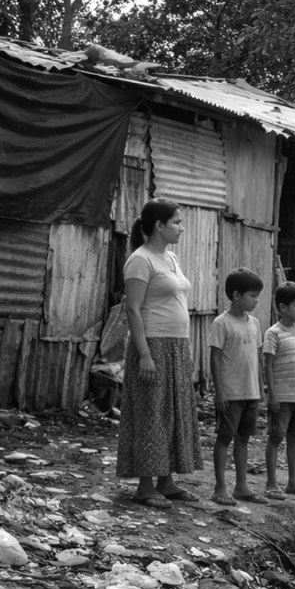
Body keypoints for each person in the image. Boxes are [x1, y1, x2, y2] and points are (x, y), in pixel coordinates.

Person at [117, 198, 202, 509]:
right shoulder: (140, 260)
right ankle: (145, 485)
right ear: (159, 226)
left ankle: (167, 481)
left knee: (174, 410)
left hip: (177, 345)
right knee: (151, 412)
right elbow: (133, 309)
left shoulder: (171, 258)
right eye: (176, 222)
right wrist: (144, 354)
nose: (181, 227)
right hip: (152, 344)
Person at [209, 267, 266, 506]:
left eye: (257, 296)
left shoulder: (254, 323)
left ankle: (241, 486)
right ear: (235, 296)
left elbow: (258, 357)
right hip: (231, 393)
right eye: (252, 296)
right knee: (225, 437)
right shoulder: (222, 323)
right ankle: (220, 487)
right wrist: (219, 391)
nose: (256, 300)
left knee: (244, 438)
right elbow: (214, 358)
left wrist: (261, 388)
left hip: (250, 391)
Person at [262, 281, 295, 499]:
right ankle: (271, 483)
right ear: (283, 308)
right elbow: (267, 365)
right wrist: (271, 394)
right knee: (276, 437)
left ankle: (293, 482)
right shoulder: (273, 334)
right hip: (282, 397)